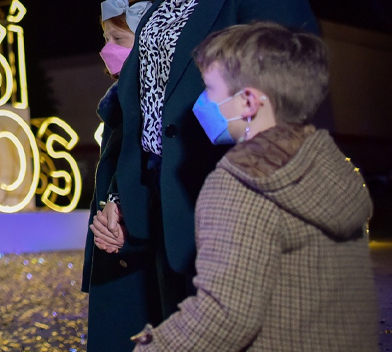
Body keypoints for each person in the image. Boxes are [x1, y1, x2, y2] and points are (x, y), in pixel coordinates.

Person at [88, 0, 318, 350]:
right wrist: (121, 198)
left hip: (225, 212)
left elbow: (287, 99)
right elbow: (143, 106)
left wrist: (219, 170)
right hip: (157, 211)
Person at [131, 22, 376, 350]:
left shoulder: (240, 184)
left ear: (248, 102)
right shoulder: (330, 166)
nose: (201, 102)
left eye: (209, 89)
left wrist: (151, 347)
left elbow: (223, 317)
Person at [82, 0, 151, 352]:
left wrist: (123, 209)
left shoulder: (147, 102)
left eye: (118, 39)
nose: (107, 49)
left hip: (133, 247)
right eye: (106, 39)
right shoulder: (118, 101)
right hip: (113, 244)